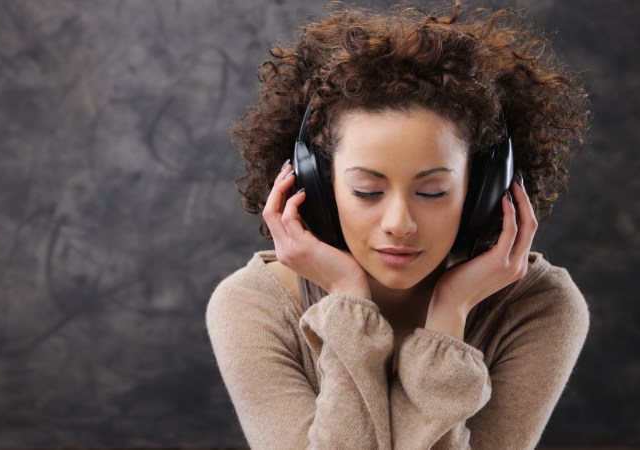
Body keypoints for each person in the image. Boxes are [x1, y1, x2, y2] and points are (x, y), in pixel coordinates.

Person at [207, 3, 590, 449]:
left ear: (485, 189)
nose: (399, 225)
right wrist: (349, 302)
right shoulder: (253, 306)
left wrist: (452, 310)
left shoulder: (540, 306)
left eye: (432, 193)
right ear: (319, 185)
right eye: (368, 191)